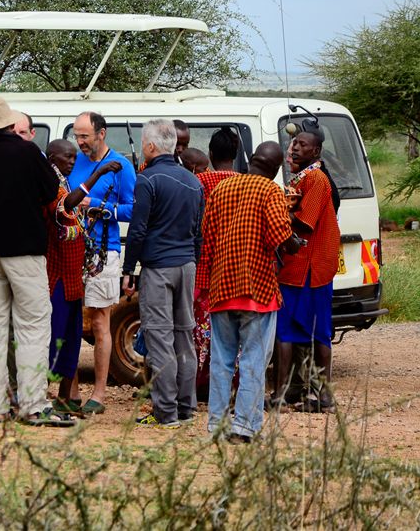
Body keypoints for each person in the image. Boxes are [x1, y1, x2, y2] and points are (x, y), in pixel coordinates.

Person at [0, 97, 69, 426]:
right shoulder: (28, 153)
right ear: (11, 124)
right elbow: (52, 193)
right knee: (33, 328)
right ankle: (31, 405)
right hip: (25, 252)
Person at [200, 141, 300, 443]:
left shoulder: (222, 189)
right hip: (257, 290)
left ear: (252, 159)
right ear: (275, 168)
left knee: (221, 362)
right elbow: (280, 237)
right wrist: (294, 242)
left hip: (221, 288)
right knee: (254, 361)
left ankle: (216, 426)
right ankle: (245, 427)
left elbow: (207, 236)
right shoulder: (270, 191)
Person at [122, 119, 204, 429]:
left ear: (152, 146)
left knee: (159, 338)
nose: (143, 146)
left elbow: (138, 229)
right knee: (184, 336)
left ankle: (165, 412)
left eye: (145, 142)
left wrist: (129, 270)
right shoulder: (193, 181)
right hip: (186, 266)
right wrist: (192, 264)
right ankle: (186, 408)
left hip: (158, 267)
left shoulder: (148, 179)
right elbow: (197, 233)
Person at [66, 111, 136, 415]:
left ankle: (99, 393)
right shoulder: (73, 160)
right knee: (68, 319)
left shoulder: (122, 166)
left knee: (99, 321)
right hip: (70, 249)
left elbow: (133, 210)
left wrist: (96, 206)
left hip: (104, 251)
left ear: (101, 133)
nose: (80, 142)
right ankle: (69, 391)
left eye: (85, 136)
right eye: (77, 136)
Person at [44, 139, 121, 414]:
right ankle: (45, 398)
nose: (72, 161)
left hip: (72, 277)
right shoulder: (52, 186)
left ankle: (67, 398)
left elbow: (73, 217)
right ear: (52, 157)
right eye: (67, 157)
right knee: (55, 339)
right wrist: (97, 174)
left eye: (74, 157)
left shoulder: (64, 182)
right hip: (58, 276)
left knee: (72, 339)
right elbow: (64, 208)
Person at [274, 128, 341, 413]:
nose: (295, 148)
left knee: (291, 332)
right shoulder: (306, 176)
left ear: (316, 151)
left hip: (307, 266)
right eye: (294, 143)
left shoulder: (315, 178)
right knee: (309, 331)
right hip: (307, 266)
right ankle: (299, 393)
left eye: (303, 144)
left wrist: (277, 211)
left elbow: (304, 224)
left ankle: (291, 395)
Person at [193, 127, 242, 395]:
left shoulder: (199, 183)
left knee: (201, 328)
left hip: (204, 267)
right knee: (234, 331)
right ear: (235, 154)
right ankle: (231, 384)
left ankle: (201, 383)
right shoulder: (246, 184)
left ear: (211, 154)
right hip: (236, 269)